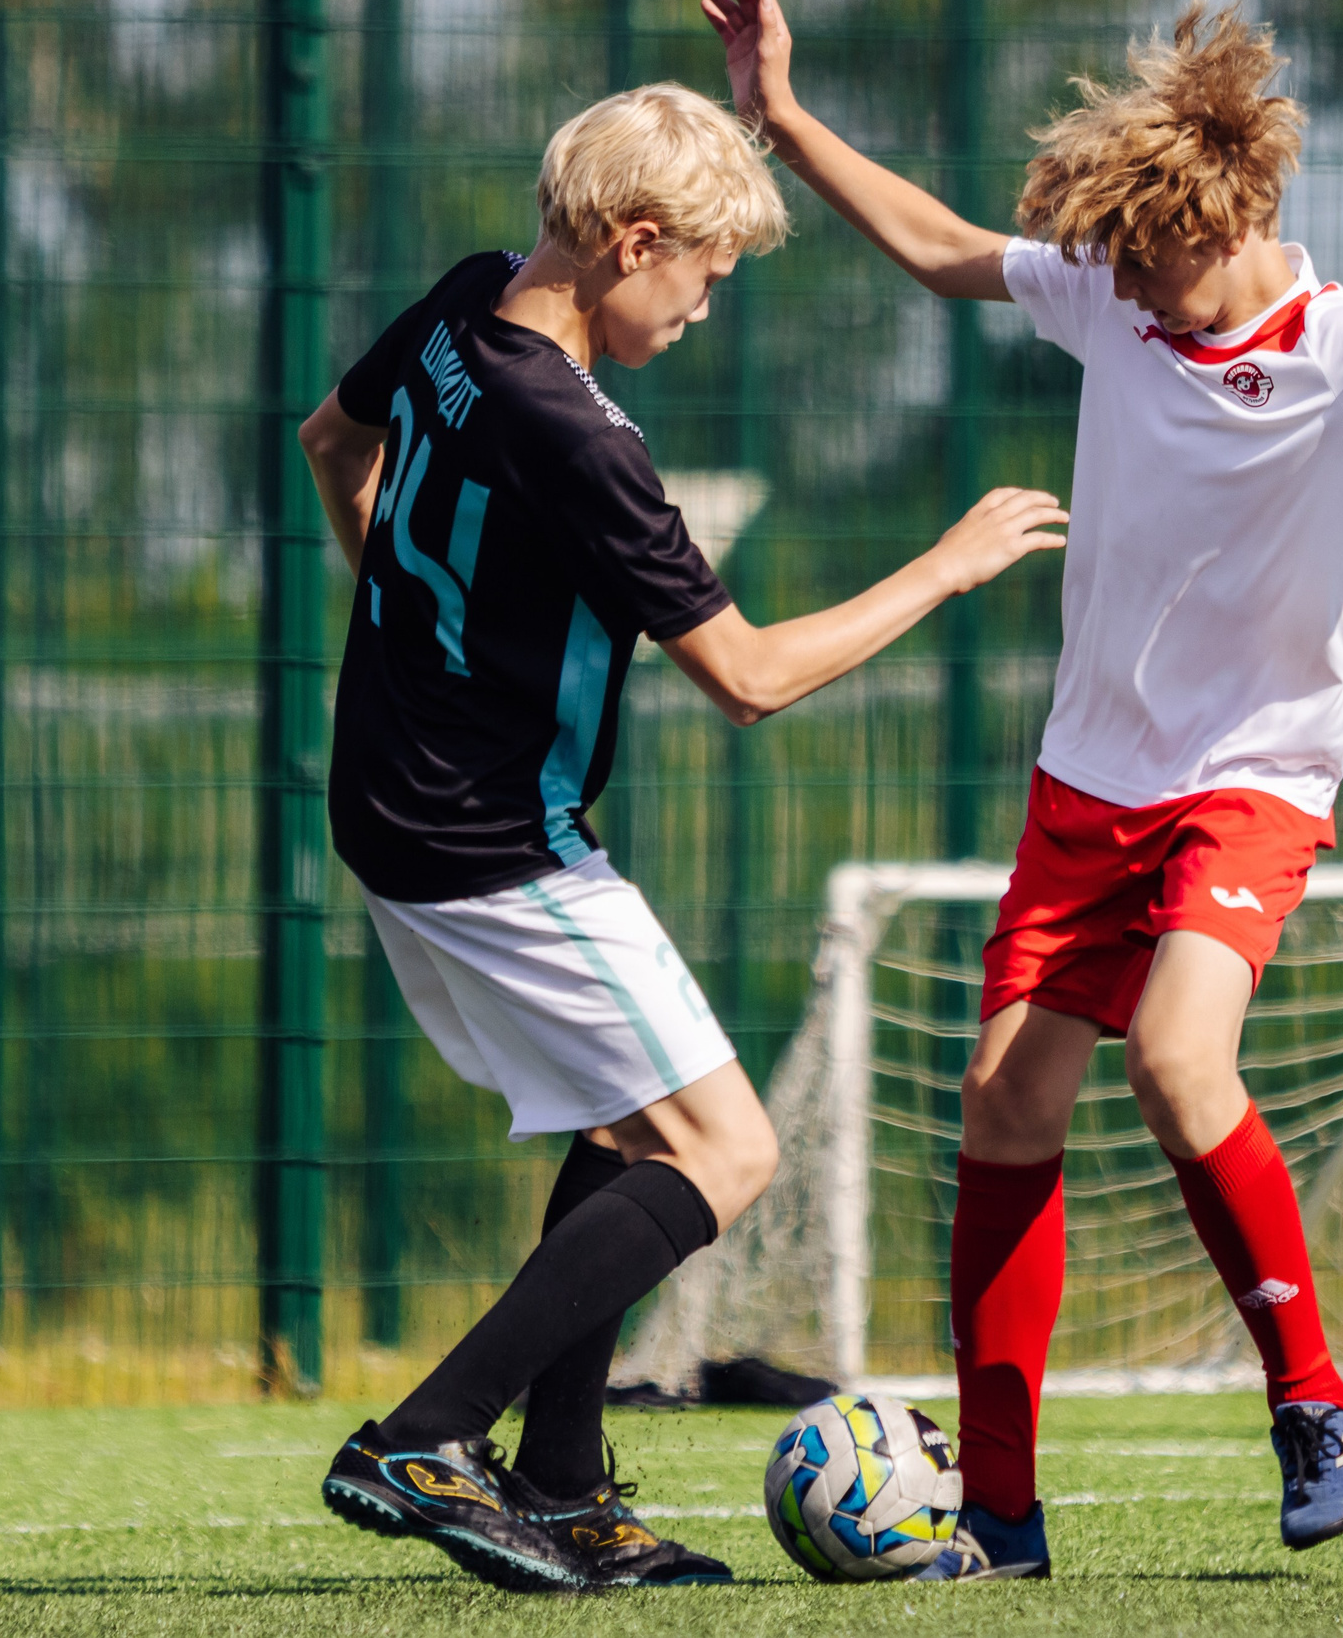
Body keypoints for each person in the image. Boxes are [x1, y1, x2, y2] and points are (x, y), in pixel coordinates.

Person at [700, 0, 1343, 1573]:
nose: (1126, 293)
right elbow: (943, 253)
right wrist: (781, 114)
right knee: (1004, 1106)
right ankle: (1000, 1514)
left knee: (1174, 1061)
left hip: (1252, 782)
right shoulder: (1108, 290)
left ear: (1229, 222)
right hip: (1089, 786)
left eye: (1152, 263)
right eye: (1113, 266)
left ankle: (1316, 1404)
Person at [297, 82, 1067, 1592]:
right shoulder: (580, 436)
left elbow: (334, 441)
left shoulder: (464, 308)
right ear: (631, 240)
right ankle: (426, 1434)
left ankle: (568, 1479)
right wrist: (948, 566)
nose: (708, 305)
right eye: (705, 273)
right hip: (492, 840)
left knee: (620, 1113)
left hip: (396, 803)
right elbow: (753, 678)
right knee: (729, 1146)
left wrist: (402, 627)